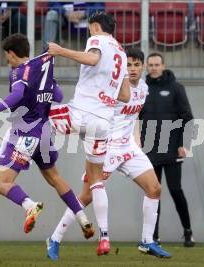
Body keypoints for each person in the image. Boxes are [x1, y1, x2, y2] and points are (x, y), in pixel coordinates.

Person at [45, 48, 171, 260]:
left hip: (128, 147)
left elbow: (135, 115)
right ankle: (55, 238)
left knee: (155, 188)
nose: (132, 69)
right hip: (107, 146)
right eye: (128, 65)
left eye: (136, 65)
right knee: (85, 196)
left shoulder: (143, 87)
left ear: (143, 68)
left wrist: (137, 137)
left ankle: (147, 241)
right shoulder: (113, 90)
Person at [0, 33, 95, 238]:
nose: (6, 59)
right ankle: (83, 219)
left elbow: (18, 93)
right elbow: (59, 96)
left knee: (1, 184)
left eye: (6, 55)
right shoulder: (42, 70)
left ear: (11, 53)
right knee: (55, 177)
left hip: (26, 135)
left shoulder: (20, 72)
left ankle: (30, 205)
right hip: (44, 133)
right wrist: (44, 91)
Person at [47, 11, 130, 255]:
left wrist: (60, 51)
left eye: (90, 28)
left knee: (34, 117)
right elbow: (124, 95)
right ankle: (104, 237)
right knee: (96, 182)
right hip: (103, 122)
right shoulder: (122, 53)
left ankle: (2, 163)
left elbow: (92, 59)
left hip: (81, 113)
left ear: (95, 26)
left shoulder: (97, 40)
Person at [138, 52, 195, 247]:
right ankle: (154, 236)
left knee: (175, 190)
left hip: (172, 149)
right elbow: (135, 118)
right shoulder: (142, 89)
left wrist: (182, 144)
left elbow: (187, 117)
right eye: (150, 64)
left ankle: (188, 232)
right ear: (147, 67)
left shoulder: (176, 88)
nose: (153, 67)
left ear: (163, 66)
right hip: (149, 150)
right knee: (153, 192)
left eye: (157, 64)